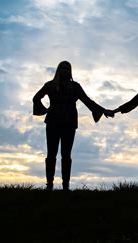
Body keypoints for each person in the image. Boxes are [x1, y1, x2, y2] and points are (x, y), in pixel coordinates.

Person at [33, 61, 114, 191]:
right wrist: (44, 110)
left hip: (69, 123)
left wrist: (103, 110)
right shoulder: (50, 85)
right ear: (58, 70)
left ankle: (66, 185)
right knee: (51, 154)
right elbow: (36, 98)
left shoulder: (75, 86)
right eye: (63, 68)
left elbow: (87, 101)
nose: (65, 70)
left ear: (70, 71)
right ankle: (49, 184)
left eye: (67, 68)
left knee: (66, 154)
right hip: (53, 121)